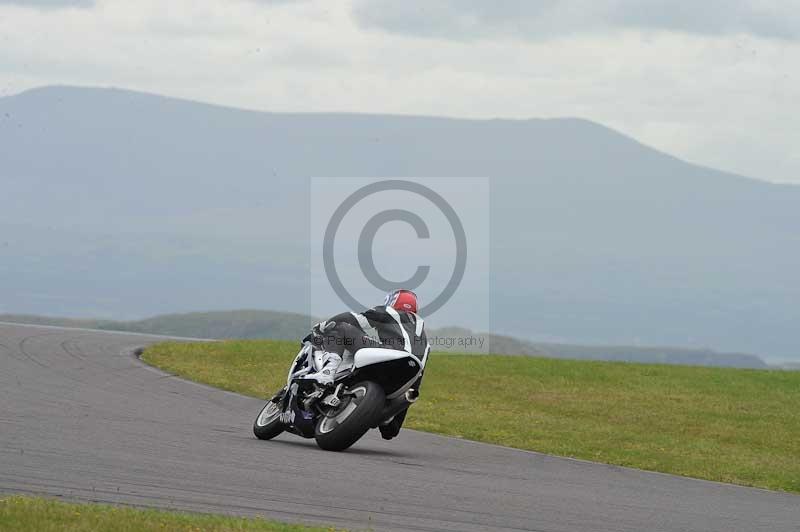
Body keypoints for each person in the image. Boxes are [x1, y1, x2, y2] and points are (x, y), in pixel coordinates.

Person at [306, 289, 430, 440]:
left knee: (342, 328)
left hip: (390, 355)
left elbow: (352, 318)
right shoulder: (424, 339)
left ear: (392, 302)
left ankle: (327, 372)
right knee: (391, 427)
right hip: (408, 375)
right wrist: (395, 419)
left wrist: (322, 327)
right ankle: (388, 417)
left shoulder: (389, 311)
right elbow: (416, 380)